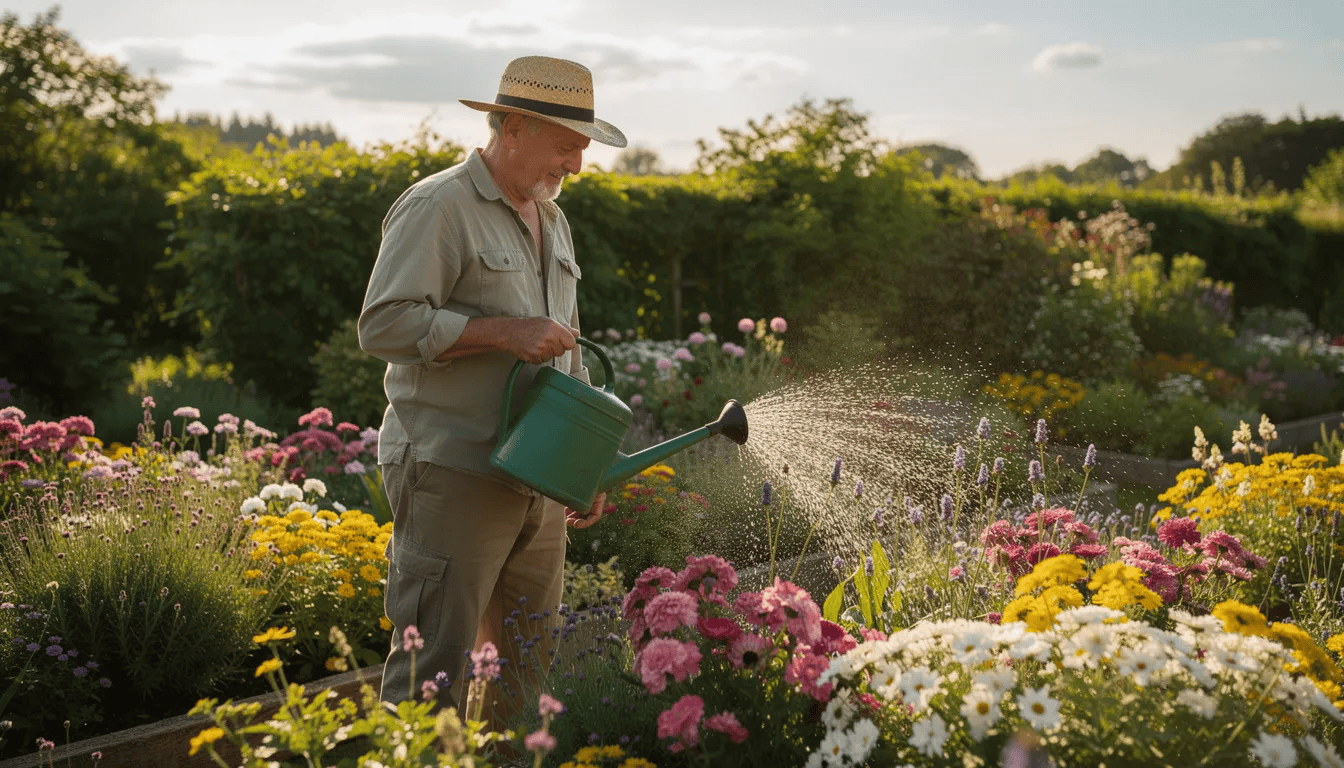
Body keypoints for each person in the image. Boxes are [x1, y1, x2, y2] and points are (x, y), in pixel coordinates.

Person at [357, 55, 627, 725]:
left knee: (524, 673)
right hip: (454, 470)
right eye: (567, 147)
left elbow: (565, 352)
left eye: (583, 150)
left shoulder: (552, 219)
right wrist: (504, 332)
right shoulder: (437, 206)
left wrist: (583, 466)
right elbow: (384, 324)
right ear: (512, 126)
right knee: (433, 674)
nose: (577, 166)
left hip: (536, 479)